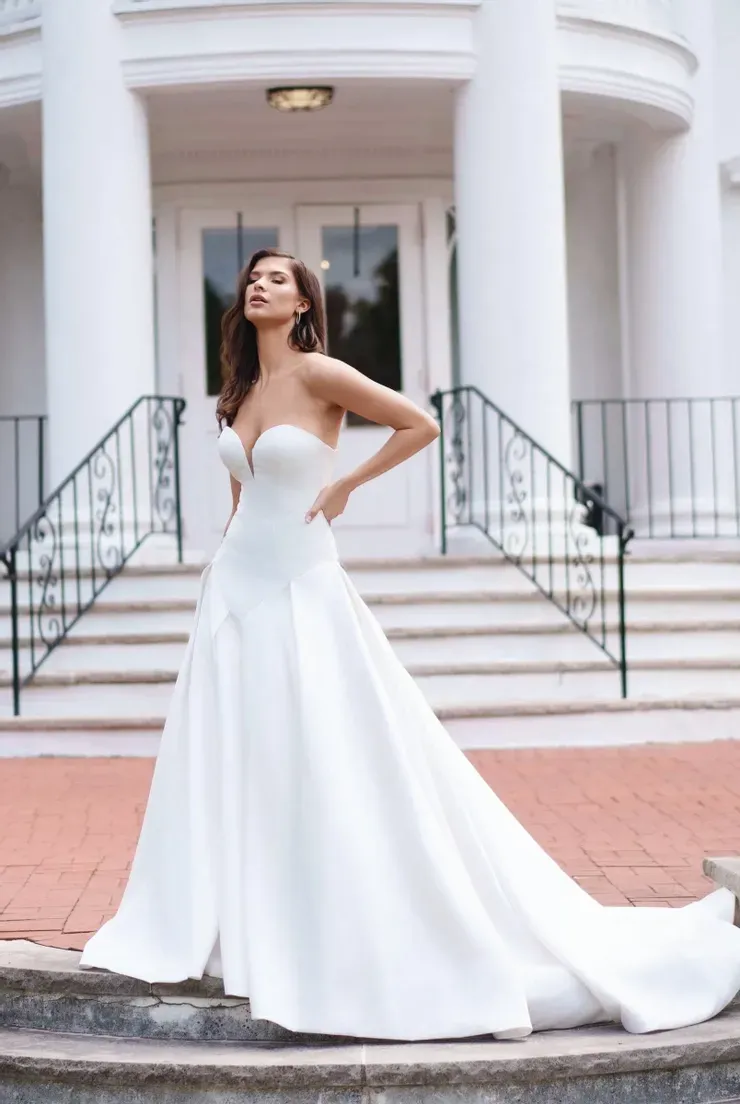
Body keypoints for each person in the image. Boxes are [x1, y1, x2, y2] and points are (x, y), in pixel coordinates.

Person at [80, 248, 740, 1042]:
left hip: (303, 585)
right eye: (253, 276)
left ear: (302, 305)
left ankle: (341, 923)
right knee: (242, 753)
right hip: (235, 588)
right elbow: (242, 491)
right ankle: (238, 924)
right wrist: (223, 563)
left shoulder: (322, 374)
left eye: (278, 279)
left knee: (325, 751)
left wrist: (344, 485)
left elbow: (418, 422)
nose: (259, 284)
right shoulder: (242, 391)